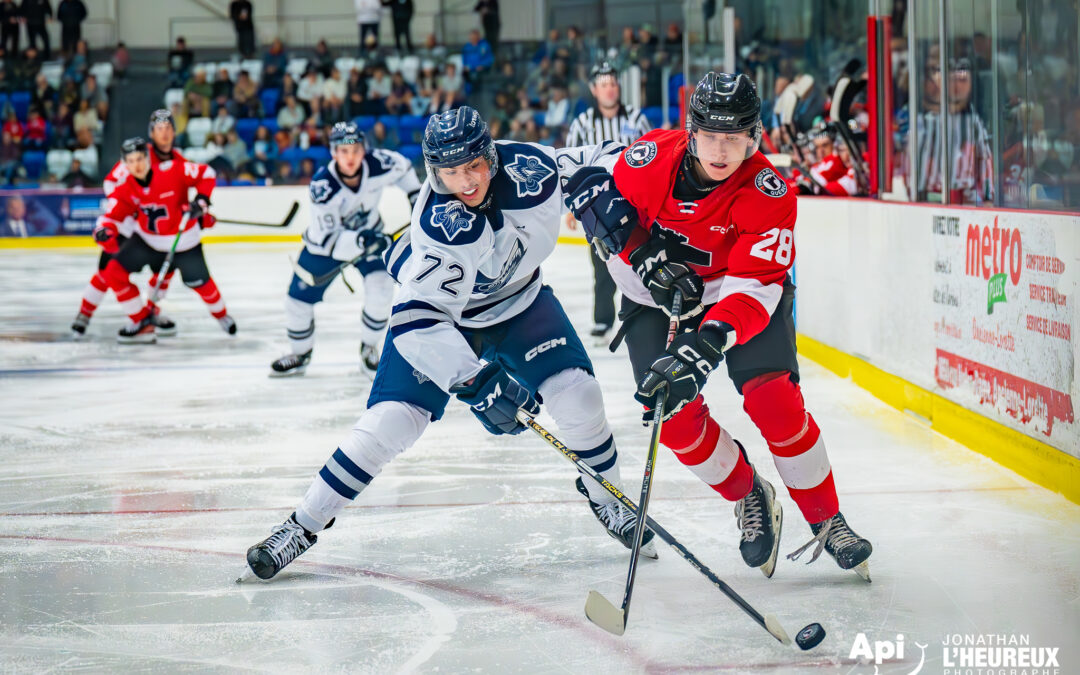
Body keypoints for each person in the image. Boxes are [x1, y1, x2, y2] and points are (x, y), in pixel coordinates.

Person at [242, 106, 654, 581]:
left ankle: (609, 499)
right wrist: (474, 380)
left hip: (522, 304)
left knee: (580, 395)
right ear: (433, 171)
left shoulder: (531, 169)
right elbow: (416, 323)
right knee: (392, 422)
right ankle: (301, 526)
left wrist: (602, 184)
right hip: (443, 321)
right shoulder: (439, 226)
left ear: (492, 157)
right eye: (451, 171)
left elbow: (608, 157)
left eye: (474, 166)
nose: (466, 182)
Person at [564, 72, 873, 580]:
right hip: (654, 302)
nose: (722, 150)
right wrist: (642, 258)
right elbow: (588, 191)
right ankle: (751, 494)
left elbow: (755, 284)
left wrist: (708, 341)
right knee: (674, 417)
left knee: (773, 400)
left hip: (739, 299)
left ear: (754, 137)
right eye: (711, 136)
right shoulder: (649, 161)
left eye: (735, 138)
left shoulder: (769, 191)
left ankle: (827, 519)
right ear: (691, 133)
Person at [270, 121, 420, 377]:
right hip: (327, 248)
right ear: (333, 153)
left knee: (382, 286)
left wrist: (416, 198)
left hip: (369, 235)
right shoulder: (323, 186)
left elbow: (405, 168)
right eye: (343, 151)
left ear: (364, 150)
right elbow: (328, 238)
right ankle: (301, 352)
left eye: (355, 150)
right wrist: (362, 240)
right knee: (297, 299)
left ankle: (369, 347)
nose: (350, 158)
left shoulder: (379, 163)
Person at [93, 112, 235, 343]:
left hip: (183, 239)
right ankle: (143, 321)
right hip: (148, 239)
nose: (136, 165)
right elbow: (114, 210)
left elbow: (206, 174)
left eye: (140, 160)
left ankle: (221, 316)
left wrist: (200, 203)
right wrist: (104, 228)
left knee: (202, 285)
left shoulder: (175, 167)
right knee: (114, 273)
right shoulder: (127, 180)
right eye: (131, 162)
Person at [71, 111, 186, 338]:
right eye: (159, 129)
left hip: (159, 231)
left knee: (163, 274)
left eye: (168, 129)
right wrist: (131, 202)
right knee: (107, 272)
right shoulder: (138, 156)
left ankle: (150, 313)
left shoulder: (178, 160)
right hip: (126, 229)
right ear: (152, 133)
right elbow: (111, 183)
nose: (164, 134)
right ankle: (85, 314)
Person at [564, 61, 652, 341]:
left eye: (613, 83)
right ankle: (603, 320)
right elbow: (570, 164)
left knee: (642, 257)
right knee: (601, 266)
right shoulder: (582, 124)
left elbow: (652, 155)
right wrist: (570, 205)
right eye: (604, 84)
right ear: (594, 89)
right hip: (596, 205)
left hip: (634, 200)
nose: (610, 89)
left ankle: (646, 313)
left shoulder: (637, 119)